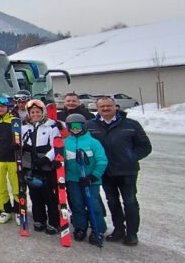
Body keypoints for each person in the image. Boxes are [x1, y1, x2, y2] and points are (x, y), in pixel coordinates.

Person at [87, 96, 152, 246]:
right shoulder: (90, 126)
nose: (105, 109)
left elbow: (145, 146)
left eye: (108, 106)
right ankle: (118, 230)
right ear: (97, 109)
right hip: (105, 172)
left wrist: (131, 157)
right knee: (112, 201)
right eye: (102, 107)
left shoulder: (131, 124)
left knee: (130, 202)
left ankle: (132, 233)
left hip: (126, 171)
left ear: (115, 107)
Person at [20, 100, 64, 235]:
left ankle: (53, 222)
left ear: (43, 112)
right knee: (35, 194)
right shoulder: (25, 127)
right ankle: (39, 219)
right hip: (31, 165)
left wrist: (46, 158)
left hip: (46, 165)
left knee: (49, 195)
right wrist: (20, 148)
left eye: (38, 112)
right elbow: (20, 142)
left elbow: (56, 145)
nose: (35, 115)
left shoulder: (51, 126)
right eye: (32, 112)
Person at [64, 113, 108, 245]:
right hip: (73, 179)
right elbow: (61, 160)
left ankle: (97, 229)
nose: (75, 129)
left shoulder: (93, 142)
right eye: (71, 126)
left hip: (90, 179)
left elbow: (102, 160)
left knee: (93, 204)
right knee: (76, 203)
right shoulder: (66, 142)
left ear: (84, 126)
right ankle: (80, 226)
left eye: (78, 126)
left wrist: (93, 176)